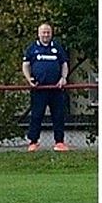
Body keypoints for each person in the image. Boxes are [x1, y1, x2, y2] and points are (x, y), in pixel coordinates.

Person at [22, 23, 70, 152]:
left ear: (51, 33)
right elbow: (25, 65)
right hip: (39, 89)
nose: (46, 35)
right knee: (37, 115)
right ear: (39, 33)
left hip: (56, 89)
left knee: (58, 115)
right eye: (43, 32)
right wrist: (29, 79)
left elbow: (64, 64)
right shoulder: (32, 48)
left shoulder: (57, 47)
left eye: (48, 32)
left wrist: (63, 78)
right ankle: (33, 142)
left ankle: (59, 142)